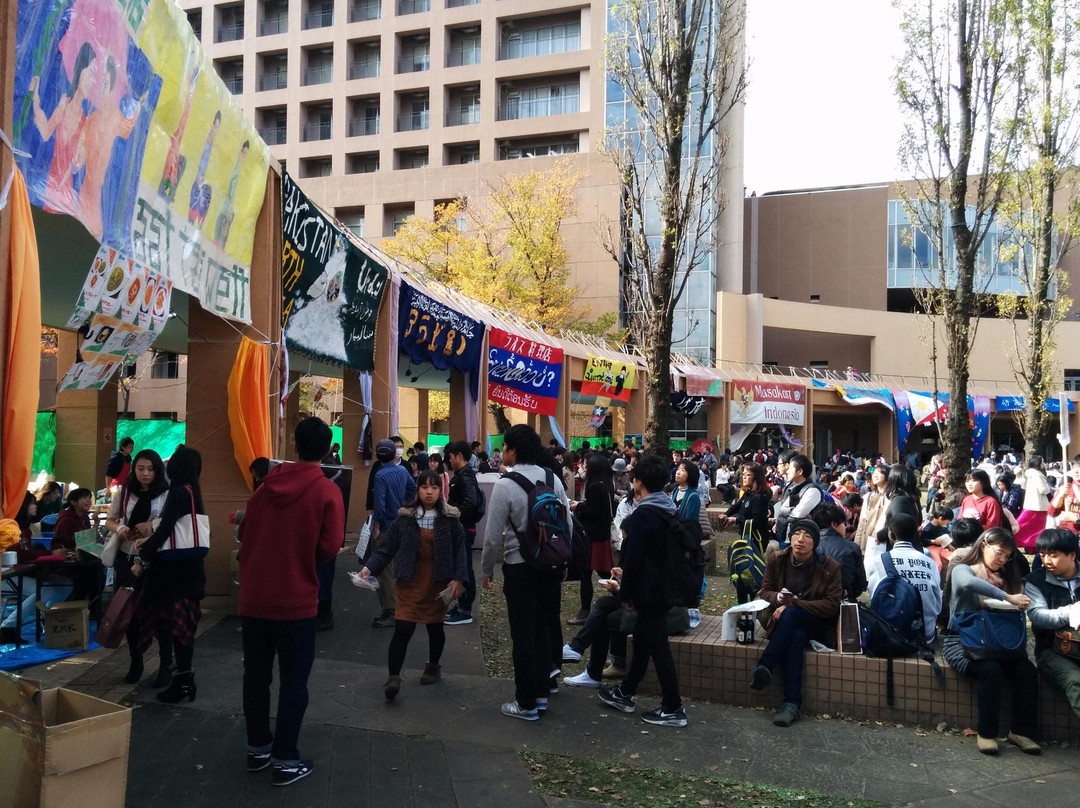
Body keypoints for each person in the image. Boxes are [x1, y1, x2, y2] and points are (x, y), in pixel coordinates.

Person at [238, 417, 345, 786]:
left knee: (256, 676)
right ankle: (285, 759)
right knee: (293, 681)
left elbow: (246, 528)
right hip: (297, 601)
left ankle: (257, 749)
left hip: (254, 598)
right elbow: (330, 547)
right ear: (328, 449)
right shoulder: (326, 492)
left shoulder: (264, 488)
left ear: (294, 446)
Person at [482, 425, 570, 721]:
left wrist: (487, 570)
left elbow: (492, 536)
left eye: (505, 446)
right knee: (543, 628)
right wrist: (563, 559)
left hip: (519, 568)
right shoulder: (552, 478)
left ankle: (526, 703)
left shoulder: (505, 485)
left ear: (513, 450)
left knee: (523, 634)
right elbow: (566, 523)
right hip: (549, 565)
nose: (503, 451)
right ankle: (542, 695)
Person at [596, 453, 688, 727]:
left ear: (637, 482)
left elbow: (633, 561)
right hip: (664, 588)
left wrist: (625, 595)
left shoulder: (643, 516)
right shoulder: (668, 509)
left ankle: (673, 707)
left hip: (649, 592)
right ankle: (626, 691)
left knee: (657, 646)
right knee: (645, 640)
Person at [360, 470, 468, 700]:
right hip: (409, 581)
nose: (429, 491)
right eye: (424, 487)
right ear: (417, 490)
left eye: (434, 487)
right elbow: (386, 549)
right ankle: (393, 677)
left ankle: (433, 666)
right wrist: (369, 568)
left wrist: (458, 578)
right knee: (403, 628)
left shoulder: (450, 519)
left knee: (435, 628)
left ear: (441, 491)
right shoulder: (405, 518)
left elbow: (461, 551)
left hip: (437, 583)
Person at [941, 528, 1040, 755]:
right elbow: (968, 584)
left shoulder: (1006, 576)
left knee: (1027, 671)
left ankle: (1021, 732)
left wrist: (1019, 601)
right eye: (1000, 553)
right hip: (964, 642)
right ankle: (986, 733)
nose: (1003, 559)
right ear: (984, 544)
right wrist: (1007, 597)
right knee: (990, 671)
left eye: (1008, 555)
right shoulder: (963, 569)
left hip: (998, 643)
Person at [748, 519, 842, 727]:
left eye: (807, 536)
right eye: (796, 534)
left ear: (815, 542)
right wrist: (778, 599)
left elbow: (832, 605)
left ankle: (765, 665)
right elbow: (765, 591)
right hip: (786, 624)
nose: (800, 540)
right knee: (796, 636)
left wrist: (795, 604)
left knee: (792, 616)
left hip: (816, 624)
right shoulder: (777, 559)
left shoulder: (829, 567)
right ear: (789, 538)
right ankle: (791, 705)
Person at [133, 446, 207, 705]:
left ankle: (183, 682)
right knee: (184, 630)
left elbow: (164, 531)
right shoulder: (193, 492)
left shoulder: (177, 493)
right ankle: (184, 680)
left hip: (175, 577)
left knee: (176, 630)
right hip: (192, 573)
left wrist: (143, 556)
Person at [104, 450, 170, 685]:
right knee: (128, 612)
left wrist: (151, 526)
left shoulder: (166, 494)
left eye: (150, 469)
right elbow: (111, 519)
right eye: (141, 468)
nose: (145, 473)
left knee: (158, 612)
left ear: (158, 471)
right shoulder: (123, 493)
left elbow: (170, 522)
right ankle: (135, 661)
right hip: (126, 557)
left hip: (154, 560)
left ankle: (165, 665)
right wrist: (120, 529)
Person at [1025, 528, 1080, 719]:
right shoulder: (1036, 581)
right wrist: (1071, 612)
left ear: (1072, 555)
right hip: (1052, 651)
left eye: (1053, 555)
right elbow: (1038, 616)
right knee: (1076, 681)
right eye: (1043, 555)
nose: (1046, 561)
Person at [866, 513, 941, 642]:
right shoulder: (930, 563)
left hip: (889, 633)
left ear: (891, 535)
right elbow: (937, 606)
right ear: (915, 535)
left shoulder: (877, 561)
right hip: (924, 635)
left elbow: (874, 596)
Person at [371, 438, 417, 628]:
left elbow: (379, 505)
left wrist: (377, 526)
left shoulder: (380, 475)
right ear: (393, 454)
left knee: (384, 570)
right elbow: (413, 489)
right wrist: (404, 504)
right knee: (399, 567)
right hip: (402, 524)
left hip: (386, 526)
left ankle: (391, 610)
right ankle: (404, 606)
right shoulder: (402, 470)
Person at [569, 454, 617, 624]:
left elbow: (593, 511)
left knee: (587, 573)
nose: (585, 468)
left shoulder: (595, 486)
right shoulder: (607, 484)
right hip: (601, 535)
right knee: (604, 571)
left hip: (592, 536)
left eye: (588, 465)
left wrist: (578, 505)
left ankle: (585, 611)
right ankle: (626, 598)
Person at [444, 441, 482, 626]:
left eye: (450, 457)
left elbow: (470, 503)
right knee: (460, 566)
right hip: (462, 528)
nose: (449, 461)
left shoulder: (465, 476)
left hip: (464, 529)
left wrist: (455, 517)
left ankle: (465, 610)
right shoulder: (463, 474)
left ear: (459, 456)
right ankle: (461, 607)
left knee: (464, 568)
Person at [812, 503, 867, 601]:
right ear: (834, 524)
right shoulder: (852, 548)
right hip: (842, 602)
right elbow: (860, 585)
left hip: (811, 601)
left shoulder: (808, 546)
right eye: (843, 523)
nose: (845, 527)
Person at [772, 454, 821, 550]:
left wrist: (785, 512)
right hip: (787, 534)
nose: (788, 471)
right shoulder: (793, 487)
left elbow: (798, 514)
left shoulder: (812, 490)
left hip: (802, 538)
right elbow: (783, 509)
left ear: (800, 471)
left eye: (790, 468)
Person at [1015, 457, 1050, 551]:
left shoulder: (1029, 474)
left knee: (1025, 525)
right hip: (1039, 505)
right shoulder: (1037, 475)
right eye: (1042, 461)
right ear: (1038, 463)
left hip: (1031, 503)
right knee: (1038, 528)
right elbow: (1043, 489)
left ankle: (1028, 544)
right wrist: (1049, 488)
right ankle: (1031, 543)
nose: (1044, 463)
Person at [853, 464, 888, 553]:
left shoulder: (891, 497)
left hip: (883, 542)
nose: (875, 475)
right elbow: (862, 523)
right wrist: (857, 545)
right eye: (874, 473)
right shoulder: (868, 497)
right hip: (867, 541)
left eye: (879, 473)